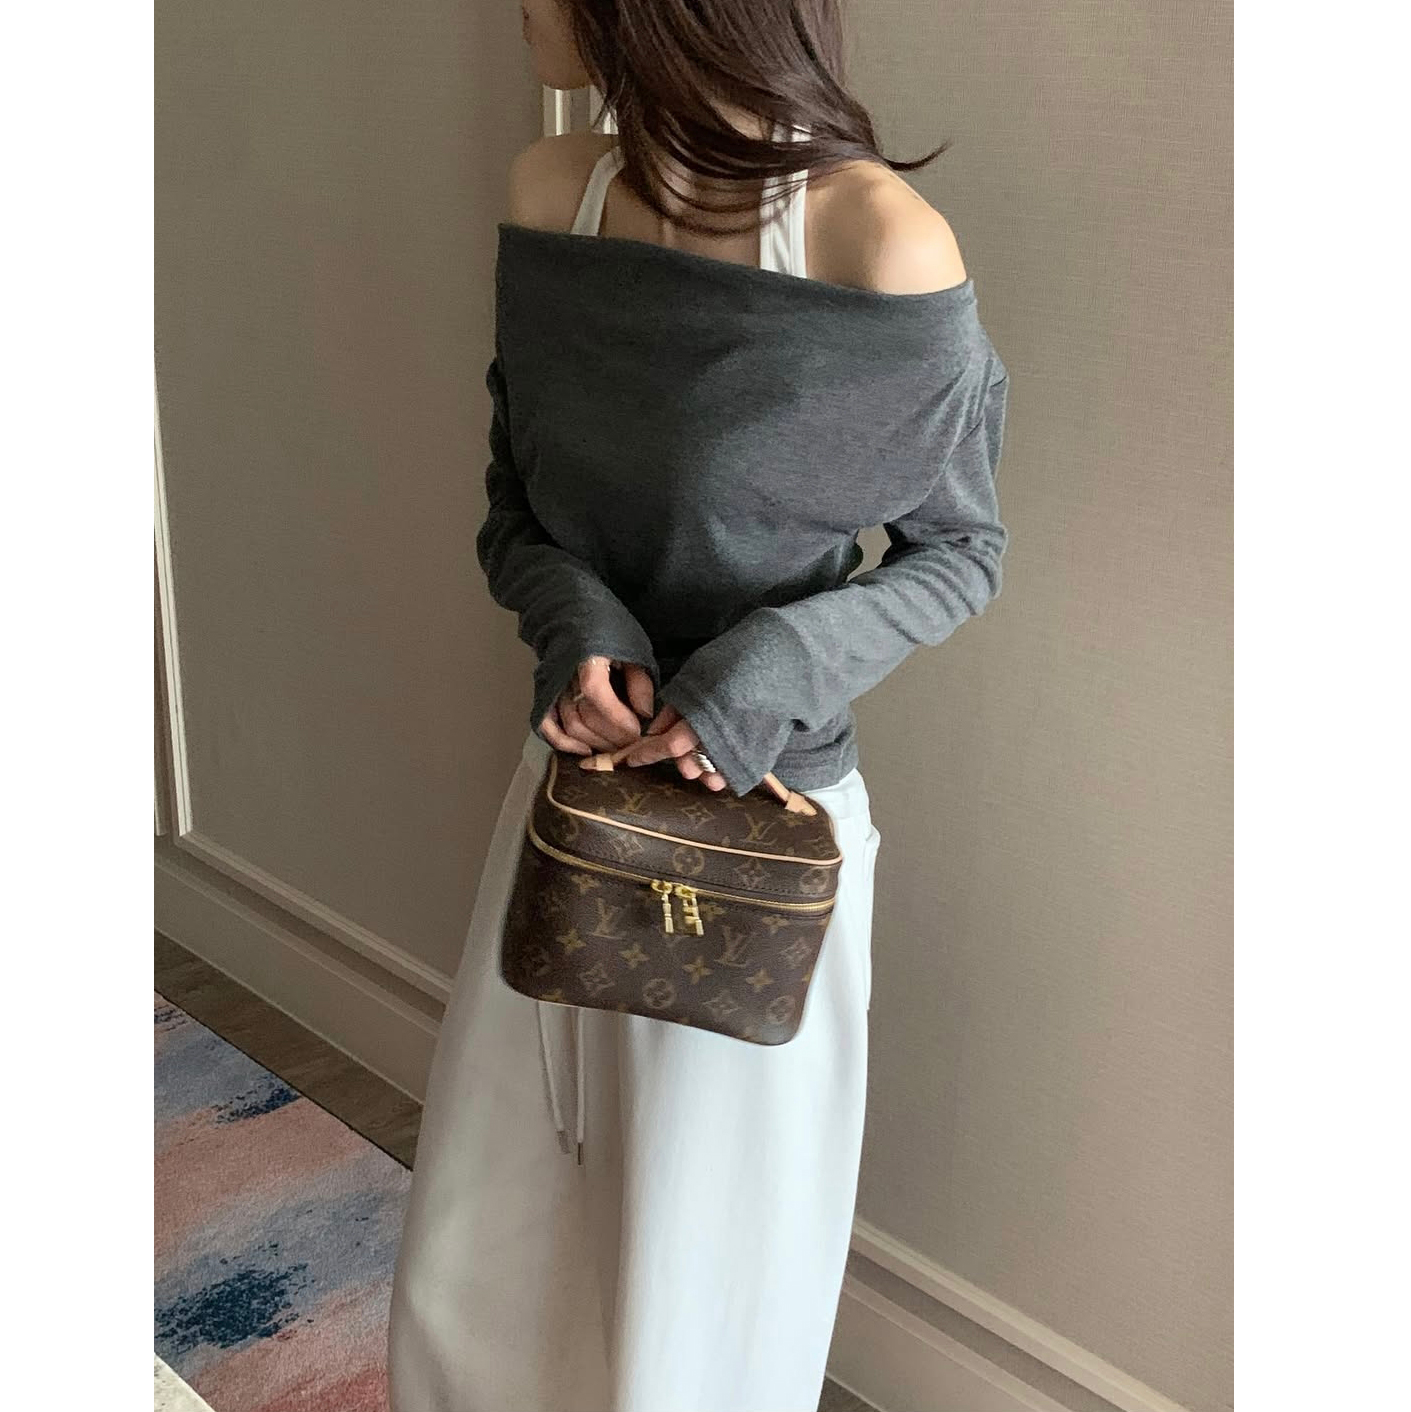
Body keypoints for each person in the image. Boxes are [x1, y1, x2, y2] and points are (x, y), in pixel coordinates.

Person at [387, 2, 1011, 1408]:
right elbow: (515, 507)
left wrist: (758, 678)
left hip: (759, 843)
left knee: (703, 1291)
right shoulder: (554, 191)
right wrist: (581, 628)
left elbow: (963, 549)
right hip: (575, 808)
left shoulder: (881, 243)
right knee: (497, 1243)